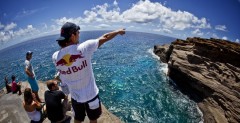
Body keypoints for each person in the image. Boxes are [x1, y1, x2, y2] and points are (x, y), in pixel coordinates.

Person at [52, 22, 125, 123]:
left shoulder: (55, 56)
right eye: (78, 32)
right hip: (91, 96)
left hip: (75, 97)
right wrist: (118, 31)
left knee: (77, 119)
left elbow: (63, 72)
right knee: (93, 119)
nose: (79, 34)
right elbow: (105, 37)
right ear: (73, 36)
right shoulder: (84, 48)